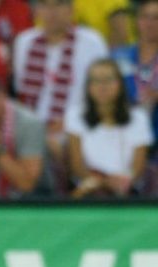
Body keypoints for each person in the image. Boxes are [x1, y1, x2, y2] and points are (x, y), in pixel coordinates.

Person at [14, 0, 108, 160]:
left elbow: (104, 95)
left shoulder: (92, 42)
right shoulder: (24, 42)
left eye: (59, 4)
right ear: (36, 11)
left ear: (71, 9)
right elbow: (20, 92)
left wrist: (68, 123)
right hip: (32, 130)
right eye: (45, 5)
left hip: (79, 128)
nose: (52, 12)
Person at [66, 58, 152, 197]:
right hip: (88, 187)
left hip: (126, 189)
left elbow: (138, 167)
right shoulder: (75, 115)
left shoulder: (138, 118)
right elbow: (77, 165)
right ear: (88, 86)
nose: (102, 86)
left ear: (120, 84)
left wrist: (121, 181)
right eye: (96, 80)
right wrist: (102, 183)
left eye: (108, 80)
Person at [112, 0, 158, 149]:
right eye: (145, 17)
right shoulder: (118, 56)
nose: (150, 23)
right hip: (122, 136)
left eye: (156, 18)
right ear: (137, 21)